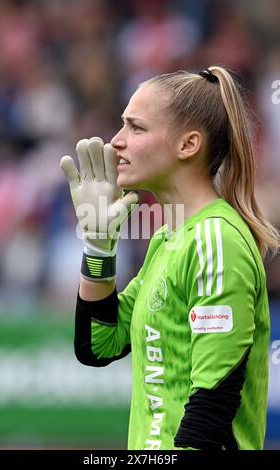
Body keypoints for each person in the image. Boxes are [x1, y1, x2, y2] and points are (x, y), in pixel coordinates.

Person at [60, 66, 280, 450]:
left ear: (188, 145)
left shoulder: (216, 241)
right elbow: (99, 345)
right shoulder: (168, 237)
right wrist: (98, 247)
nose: (115, 143)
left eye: (136, 128)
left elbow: (211, 409)